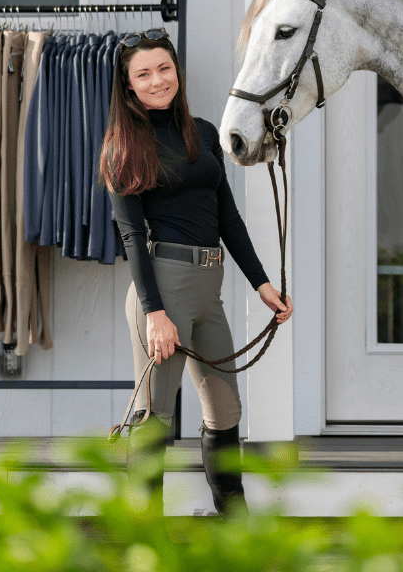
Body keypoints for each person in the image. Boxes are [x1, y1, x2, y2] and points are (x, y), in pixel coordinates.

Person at [99, 29, 292, 515]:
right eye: (143, 74)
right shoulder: (123, 147)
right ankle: (145, 544)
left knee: (226, 411)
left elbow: (227, 215)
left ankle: (235, 529)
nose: (157, 80)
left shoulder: (202, 132)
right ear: (128, 87)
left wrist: (262, 283)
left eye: (164, 68)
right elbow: (131, 238)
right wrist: (155, 313)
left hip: (210, 289)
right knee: (154, 419)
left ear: (177, 73)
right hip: (164, 287)